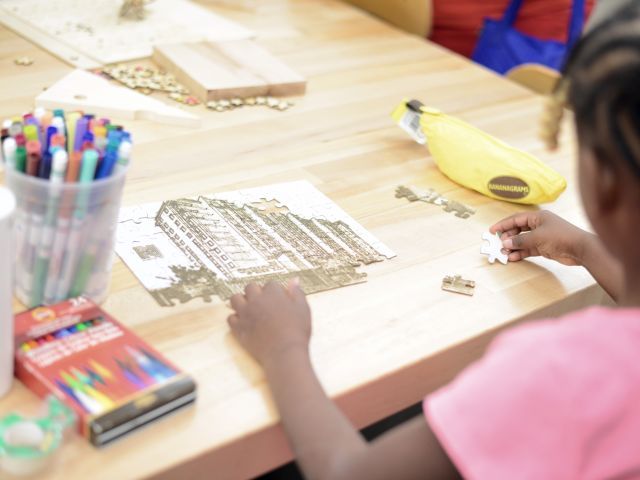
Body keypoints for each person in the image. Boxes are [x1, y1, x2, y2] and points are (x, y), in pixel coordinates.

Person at [226, 3, 640, 478]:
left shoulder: (563, 374)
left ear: (603, 185)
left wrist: (283, 348)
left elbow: (347, 473)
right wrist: (589, 249)